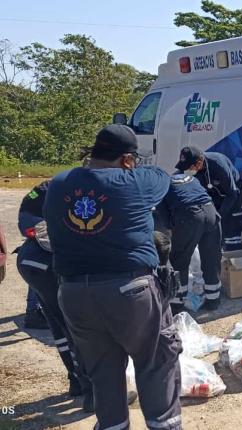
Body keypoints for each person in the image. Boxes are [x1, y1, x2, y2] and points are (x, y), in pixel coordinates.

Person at [45, 125, 182, 429]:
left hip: (74, 294)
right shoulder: (135, 182)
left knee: (103, 372)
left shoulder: (59, 183)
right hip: (129, 292)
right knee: (156, 363)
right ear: (127, 159)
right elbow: (161, 177)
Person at [16, 180, 92, 402]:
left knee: (58, 323)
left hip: (29, 262)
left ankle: (75, 382)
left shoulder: (49, 187)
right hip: (50, 264)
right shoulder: (85, 192)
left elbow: (25, 220)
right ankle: (91, 392)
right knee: (75, 326)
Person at [156, 173, 222, 312]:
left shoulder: (159, 187)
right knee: (211, 257)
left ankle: (177, 304)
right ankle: (213, 300)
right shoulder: (188, 178)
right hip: (211, 212)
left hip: (190, 216)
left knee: (179, 260)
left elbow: (165, 218)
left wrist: (176, 231)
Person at [175, 147, 242, 250]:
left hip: (230, 192)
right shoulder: (189, 169)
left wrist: (219, 215)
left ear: (199, 163)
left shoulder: (218, 164)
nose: (186, 170)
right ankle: (216, 249)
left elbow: (232, 193)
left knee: (231, 222)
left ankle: (234, 250)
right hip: (211, 191)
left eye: (188, 167)